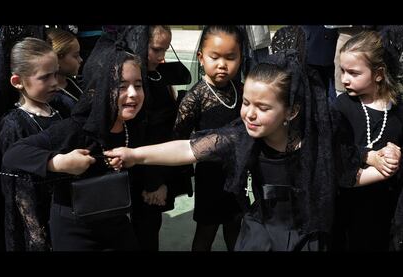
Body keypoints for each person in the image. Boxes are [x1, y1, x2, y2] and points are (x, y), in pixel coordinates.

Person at [105, 49, 400, 251]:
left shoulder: (314, 144)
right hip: (260, 236)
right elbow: (187, 149)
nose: (249, 114)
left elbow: (347, 175)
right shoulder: (242, 137)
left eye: (263, 107)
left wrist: (385, 169)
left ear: (291, 111)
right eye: (246, 103)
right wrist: (135, 155)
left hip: (307, 239)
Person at [2, 41, 144, 251]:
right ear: (99, 90)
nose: (133, 93)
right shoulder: (75, 128)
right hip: (76, 229)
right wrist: (59, 162)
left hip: (116, 220)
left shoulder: (134, 125)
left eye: (138, 85)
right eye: (121, 86)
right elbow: (13, 155)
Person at [170, 25, 248, 251]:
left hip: (238, 173)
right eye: (215, 57)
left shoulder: (241, 90)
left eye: (231, 57)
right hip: (210, 177)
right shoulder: (195, 98)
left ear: (241, 57)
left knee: (236, 226)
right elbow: (179, 137)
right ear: (201, 58)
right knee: (206, 231)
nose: (222, 64)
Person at [0, 37, 64, 251]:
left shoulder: (60, 108)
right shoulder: (14, 126)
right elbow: (20, 193)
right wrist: (37, 237)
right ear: (17, 81)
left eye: (56, 74)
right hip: (41, 224)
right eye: (45, 77)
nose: (54, 83)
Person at [332, 29, 403, 251]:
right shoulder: (342, 107)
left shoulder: (398, 109)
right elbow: (335, 150)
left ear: (378, 73)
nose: (344, 79)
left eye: (353, 73)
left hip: (386, 208)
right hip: (349, 207)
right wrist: (368, 156)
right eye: (342, 71)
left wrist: (398, 153)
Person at [132, 25, 193, 251]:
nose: (161, 57)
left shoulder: (156, 75)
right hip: (144, 176)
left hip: (155, 168)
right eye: (156, 49)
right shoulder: (138, 79)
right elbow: (147, 134)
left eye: (165, 50)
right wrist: (154, 183)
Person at [46, 28, 83, 113]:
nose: (81, 59)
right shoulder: (54, 98)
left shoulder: (74, 82)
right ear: (57, 59)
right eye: (75, 56)